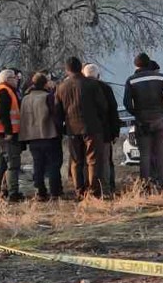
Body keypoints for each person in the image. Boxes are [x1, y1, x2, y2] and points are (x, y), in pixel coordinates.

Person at [54, 57, 108, 198]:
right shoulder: (92, 84)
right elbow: (103, 106)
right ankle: (95, 192)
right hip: (92, 127)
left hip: (72, 129)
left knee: (76, 161)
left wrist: (61, 129)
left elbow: (57, 112)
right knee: (93, 160)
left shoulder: (61, 87)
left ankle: (79, 191)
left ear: (67, 70)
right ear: (81, 68)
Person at [123, 53, 163, 190]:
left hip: (142, 121)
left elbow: (127, 103)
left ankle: (145, 185)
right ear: (149, 62)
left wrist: (137, 114)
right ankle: (161, 184)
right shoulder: (161, 77)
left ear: (136, 65)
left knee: (145, 154)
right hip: (160, 119)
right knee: (160, 152)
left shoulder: (131, 80)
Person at [19, 72, 64, 201]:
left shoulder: (25, 99)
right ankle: (55, 191)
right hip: (49, 135)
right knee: (54, 164)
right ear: (45, 83)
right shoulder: (48, 97)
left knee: (38, 164)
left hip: (32, 137)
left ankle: (40, 191)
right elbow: (56, 116)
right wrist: (60, 131)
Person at [0, 69, 24, 202]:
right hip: (5, 135)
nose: (16, 80)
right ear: (8, 79)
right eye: (14, 78)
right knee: (12, 164)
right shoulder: (4, 91)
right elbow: (3, 114)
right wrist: (8, 131)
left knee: (0, 165)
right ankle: (13, 193)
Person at [83, 64, 121, 196]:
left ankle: (89, 188)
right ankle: (107, 189)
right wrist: (115, 131)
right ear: (98, 75)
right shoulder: (105, 88)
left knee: (87, 161)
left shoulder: (80, 87)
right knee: (105, 161)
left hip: (84, 131)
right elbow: (113, 111)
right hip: (104, 130)